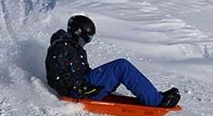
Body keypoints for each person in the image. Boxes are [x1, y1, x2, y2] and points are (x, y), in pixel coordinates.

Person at [45, 15, 181, 108]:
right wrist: (80, 87)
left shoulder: (74, 48)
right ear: (78, 32)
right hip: (76, 91)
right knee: (121, 66)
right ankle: (157, 101)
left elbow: (80, 71)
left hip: (83, 87)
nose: (88, 42)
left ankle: (154, 96)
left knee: (118, 69)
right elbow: (55, 76)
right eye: (87, 38)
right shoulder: (61, 47)